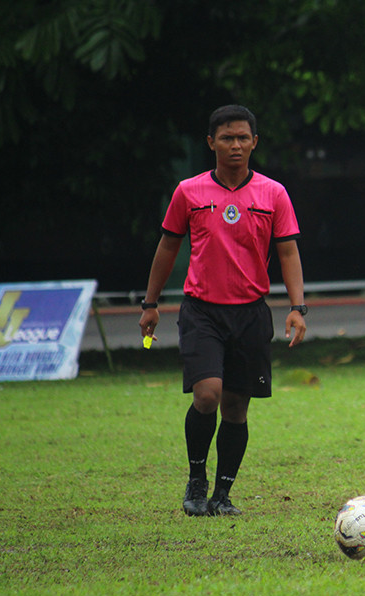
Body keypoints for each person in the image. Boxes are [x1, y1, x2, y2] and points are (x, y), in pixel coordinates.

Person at [139, 104, 308, 517]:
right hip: (202, 312)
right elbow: (167, 247)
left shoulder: (273, 193)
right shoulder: (189, 192)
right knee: (208, 394)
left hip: (251, 313)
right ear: (211, 142)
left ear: (254, 142)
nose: (235, 145)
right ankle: (196, 479)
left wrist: (297, 307)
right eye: (227, 138)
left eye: (243, 138)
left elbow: (287, 251)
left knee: (236, 406)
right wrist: (150, 303)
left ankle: (222, 494)